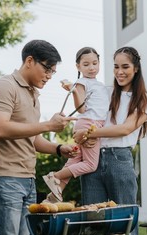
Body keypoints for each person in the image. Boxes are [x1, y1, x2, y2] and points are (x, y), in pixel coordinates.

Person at [0, 39, 77, 235]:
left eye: (53, 71)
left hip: (27, 179)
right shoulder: (5, 86)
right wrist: (48, 125)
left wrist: (59, 148)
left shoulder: (33, 95)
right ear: (29, 60)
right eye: (47, 68)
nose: (49, 76)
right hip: (4, 177)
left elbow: (32, 138)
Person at [73, 46, 147, 235]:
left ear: (136, 68)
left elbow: (125, 129)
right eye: (116, 67)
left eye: (125, 66)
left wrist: (89, 134)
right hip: (94, 157)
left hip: (120, 159)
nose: (120, 72)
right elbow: (83, 111)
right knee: (92, 220)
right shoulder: (104, 91)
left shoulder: (144, 98)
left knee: (124, 220)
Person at [42, 47, 111, 202]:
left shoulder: (98, 84)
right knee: (91, 165)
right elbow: (82, 107)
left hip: (90, 123)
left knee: (75, 159)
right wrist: (73, 91)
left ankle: (56, 192)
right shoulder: (81, 82)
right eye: (86, 64)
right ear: (78, 67)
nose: (92, 67)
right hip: (89, 124)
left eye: (95, 63)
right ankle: (55, 176)